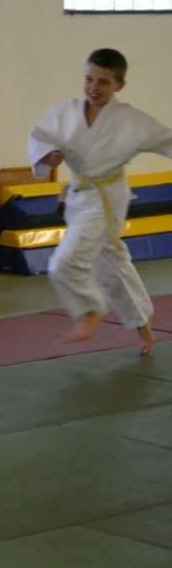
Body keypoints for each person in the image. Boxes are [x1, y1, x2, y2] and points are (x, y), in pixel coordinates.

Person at [28, 48, 172, 355]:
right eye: (89, 79)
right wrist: (49, 155)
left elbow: (167, 140)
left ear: (120, 85)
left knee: (64, 262)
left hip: (106, 196)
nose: (93, 87)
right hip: (78, 195)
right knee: (109, 262)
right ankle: (142, 323)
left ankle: (90, 308)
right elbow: (40, 137)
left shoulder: (131, 120)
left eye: (103, 82)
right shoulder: (65, 112)